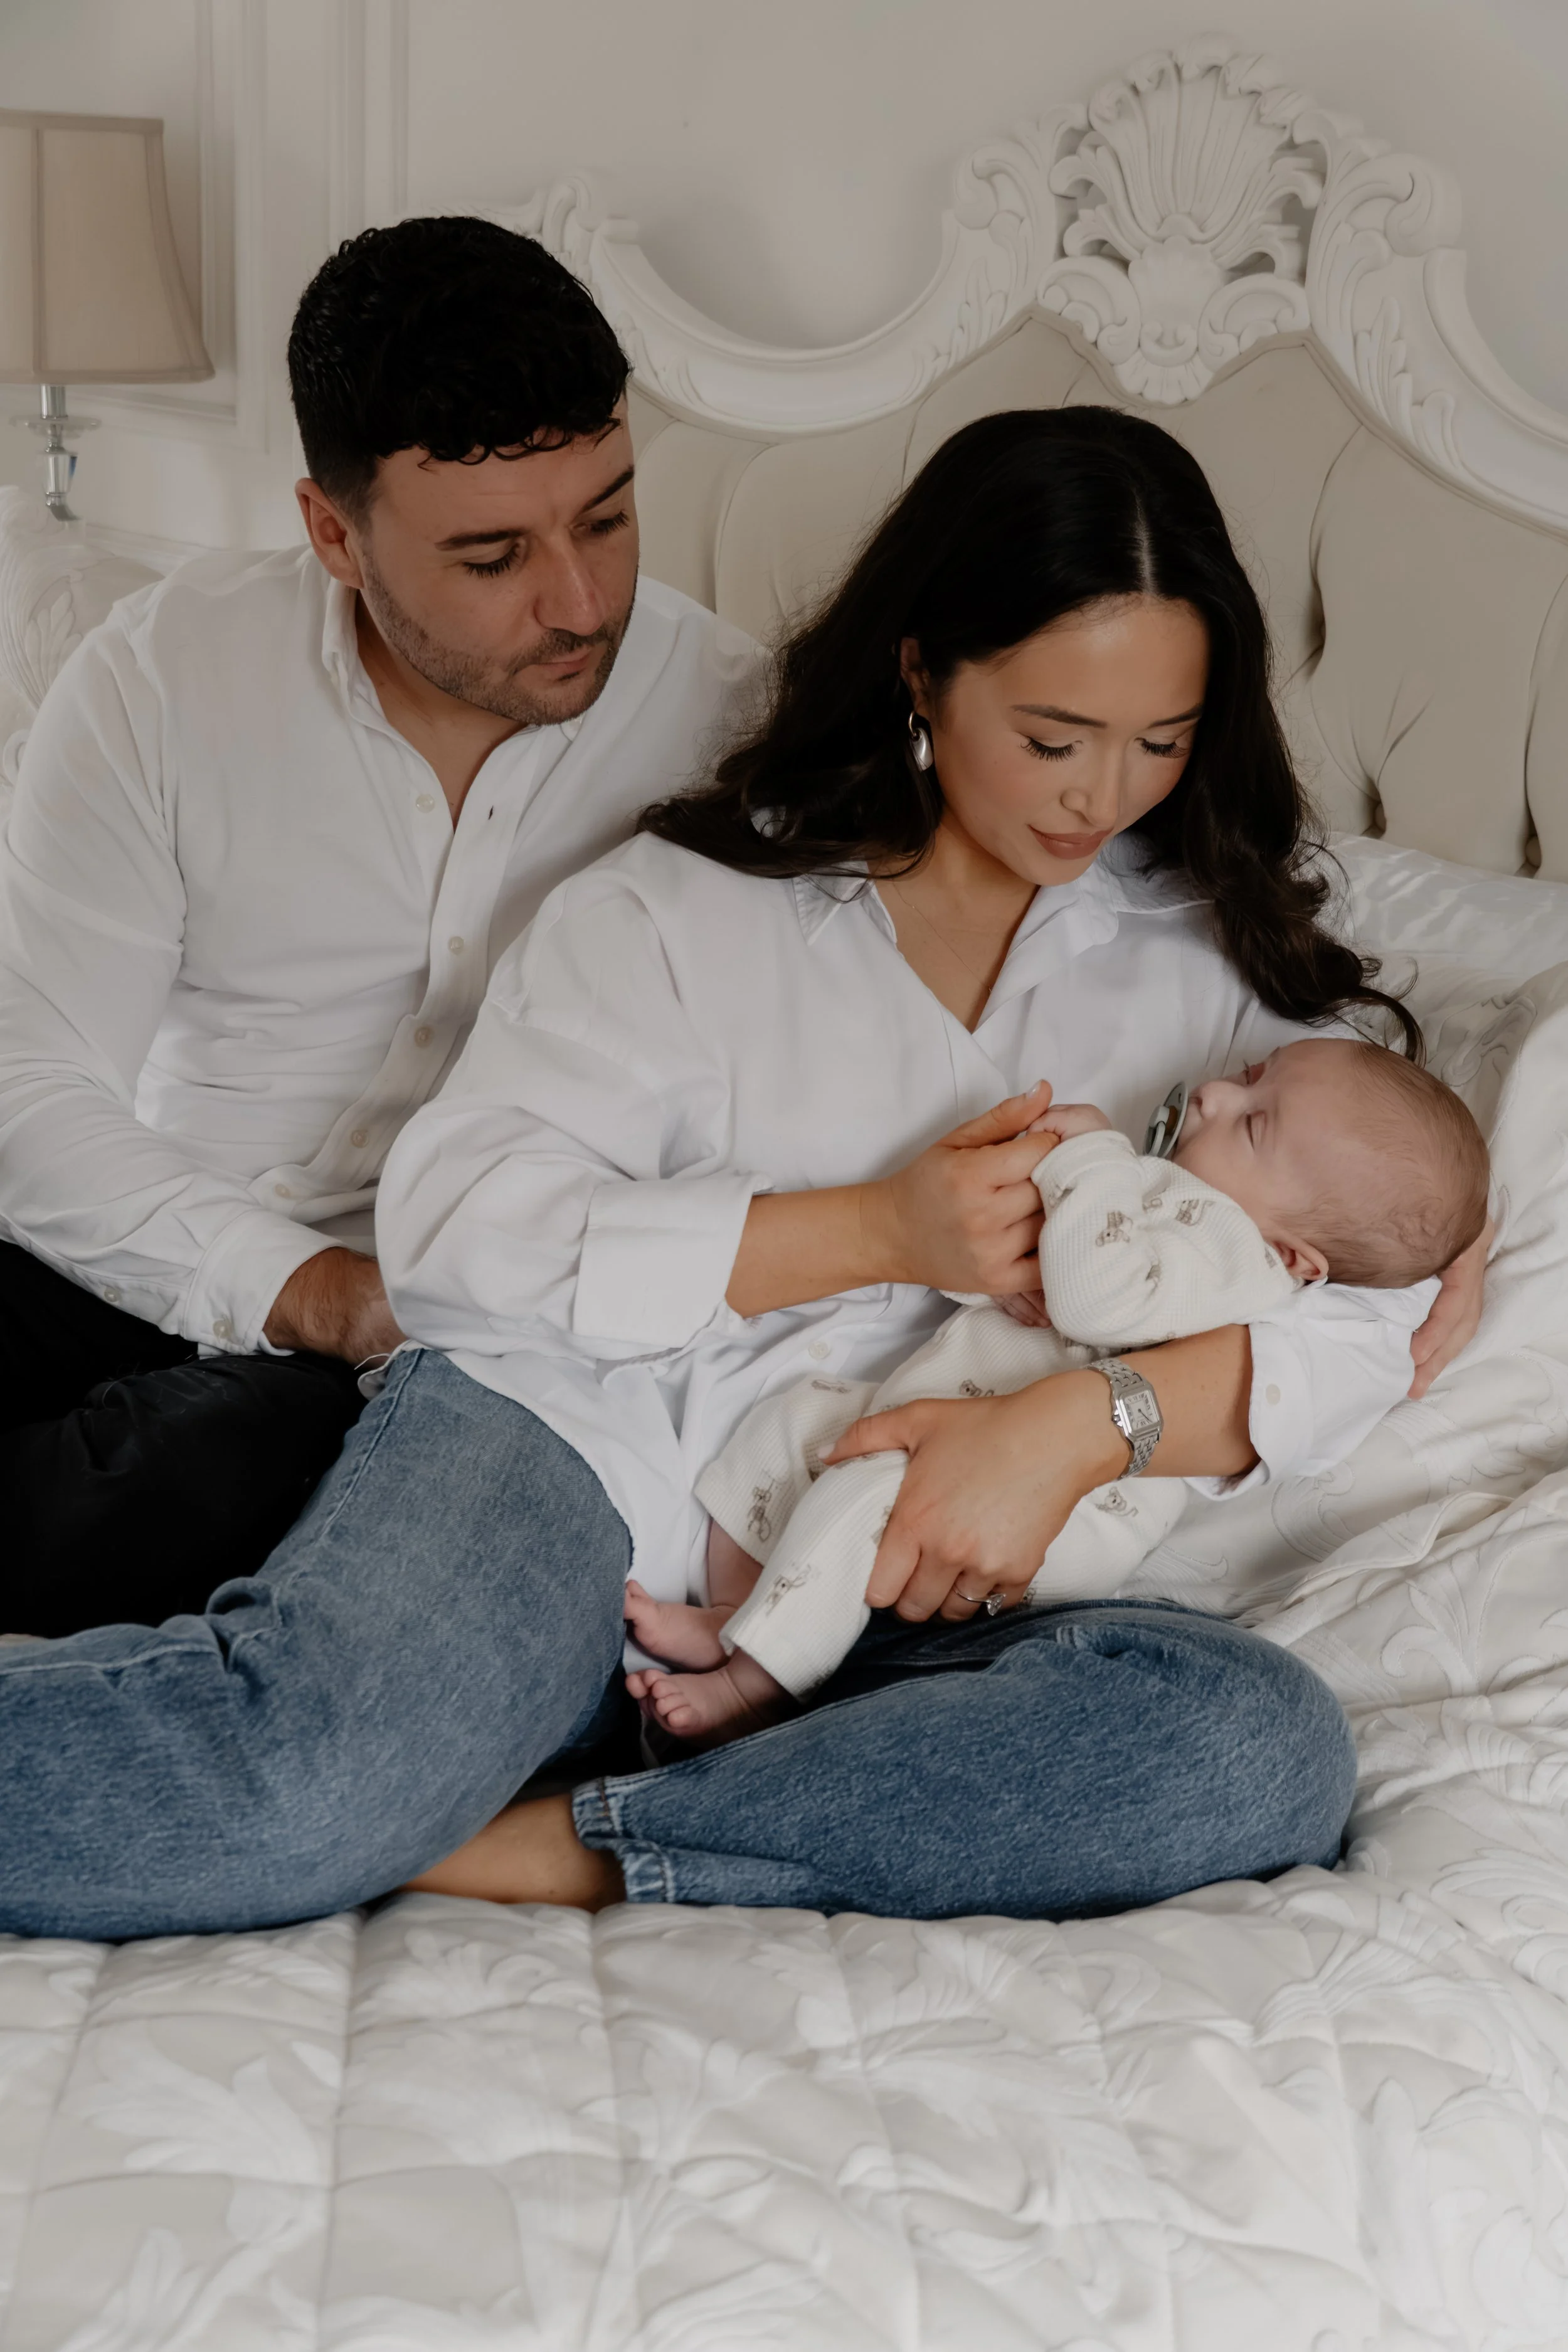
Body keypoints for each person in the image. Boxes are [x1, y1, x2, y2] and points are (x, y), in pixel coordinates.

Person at [0, 406, 1487, 1943]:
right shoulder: (687, 905)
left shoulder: (1218, 972)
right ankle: (438, 1808)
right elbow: (455, 1237)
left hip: (896, 1596)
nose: (1096, 797)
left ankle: (548, 1841)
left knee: (1250, 1749)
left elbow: (1368, 1297)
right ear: (919, 673)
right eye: (1050, 738)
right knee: (288, 1784)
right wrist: (862, 1230)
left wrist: (1071, 1431)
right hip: (581, 1473)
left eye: (1157, 744)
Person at [0, 216, 759, 1634]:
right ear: (331, 533)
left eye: (606, 514)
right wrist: (310, 1285)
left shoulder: (735, 722)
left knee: (217, 1467)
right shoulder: (163, 677)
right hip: (142, 1235)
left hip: (412, 1342)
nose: (582, 600)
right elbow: (30, 1087)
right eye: (492, 557)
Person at [626, 1038, 1490, 1741]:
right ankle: (749, 1607)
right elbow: (1052, 1278)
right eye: (1250, 1076)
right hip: (946, 1414)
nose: (1218, 1097)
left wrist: (1089, 1156)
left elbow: (1101, 1291)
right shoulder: (1185, 1196)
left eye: (1256, 1124)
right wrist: (1002, 1275)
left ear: (1304, 1258)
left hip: (1065, 1512)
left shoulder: (1240, 1253)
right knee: (797, 1427)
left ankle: (757, 1683)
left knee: (869, 1494)